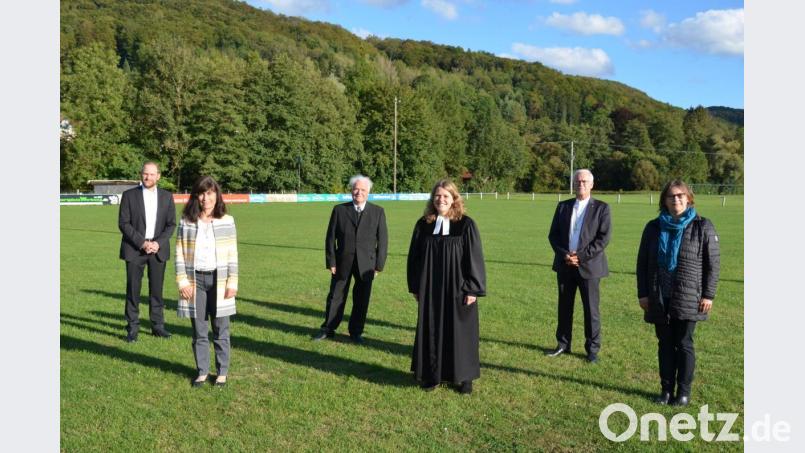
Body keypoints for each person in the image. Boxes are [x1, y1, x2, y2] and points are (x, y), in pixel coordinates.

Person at [637, 180, 719, 407]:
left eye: (681, 195)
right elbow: (642, 263)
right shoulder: (653, 228)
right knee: (664, 344)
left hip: (689, 296)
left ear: (689, 198)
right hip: (659, 295)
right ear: (664, 200)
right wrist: (643, 293)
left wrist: (708, 295)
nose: (676, 200)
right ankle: (665, 390)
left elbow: (713, 265)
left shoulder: (703, 226)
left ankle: (683, 392)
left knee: (684, 343)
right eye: (671, 196)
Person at [407, 179, 486, 394]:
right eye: (438, 196)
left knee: (461, 333)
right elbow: (414, 257)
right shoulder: (423, 224)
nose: (441, 199)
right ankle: (431, 375)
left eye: (446, 196)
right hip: (430, 288)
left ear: (454, 199)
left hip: (458, 288)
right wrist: (415, 286)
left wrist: (472, 288)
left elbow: (474, 257)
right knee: (432, 330)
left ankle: (464, 378)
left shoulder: (466, 224)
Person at [175, 176, 239, 388]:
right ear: (196, 196)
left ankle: (222, 372)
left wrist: (233, 282)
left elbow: (232, 253)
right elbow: (179, 254)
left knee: (221, 329)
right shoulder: (186, 221)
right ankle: (202, 371)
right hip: (196, 281)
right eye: (202, 193)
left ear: (216, 195)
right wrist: (183, 282)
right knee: (199, 330)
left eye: (210, 193)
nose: (206, 198)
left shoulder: (227, 221)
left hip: (219, 280)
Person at [313, 175, 388, 344]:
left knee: (361, 299)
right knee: (335, 296)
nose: (358, 192)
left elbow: (383, 241)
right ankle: (328, 329)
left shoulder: (378, 212)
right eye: (356, 189)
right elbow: (330, 238)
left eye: (362, 190)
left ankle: (356, 332)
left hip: (367, 265)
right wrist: (331, 261)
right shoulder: (339, 210)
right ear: (351, 190)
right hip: (342, 262)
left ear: (368, 192)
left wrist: (379, 266)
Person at [547, 169, 611, 363]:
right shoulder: (563, 206)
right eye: (577, 181)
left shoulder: (602, 208)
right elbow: (553, 235)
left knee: (591, 309)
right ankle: (563, 344)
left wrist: (580, 256)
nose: (580, 184)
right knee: (564, 307)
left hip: (590, 267)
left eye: (584, 181)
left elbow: (603, 239)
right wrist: (565, 255)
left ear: (592, 184)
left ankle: (592, 350)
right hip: (565, 265)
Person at [118, 161, 177, 342]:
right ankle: (132, 327)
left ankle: (157, 326)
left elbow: (171, 224)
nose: (148, 177)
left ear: (158, 176)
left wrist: (157, 243)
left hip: (158, 250)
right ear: (140, 174)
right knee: (133, 290)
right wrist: (142, 243)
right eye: (145, 173)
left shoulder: (167, 197)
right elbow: (124, 223)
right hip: (135, 249)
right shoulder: (129, 196)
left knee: (156, 291)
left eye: (152, 174)